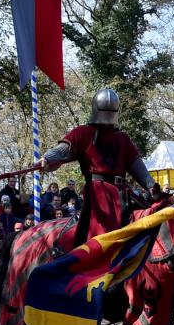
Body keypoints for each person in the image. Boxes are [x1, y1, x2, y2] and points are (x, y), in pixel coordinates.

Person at [39, 88, 162, 244]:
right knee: (101, 238)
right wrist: (47, 158)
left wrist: (152, 187)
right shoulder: (83, 134)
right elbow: (62, 151)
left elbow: (138, 168)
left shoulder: (123, 139)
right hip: (99, 195)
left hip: (122, 195)